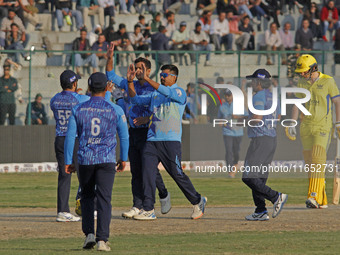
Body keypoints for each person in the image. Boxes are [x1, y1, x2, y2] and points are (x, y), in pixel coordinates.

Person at [127, 63, 207, 220]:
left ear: (174, 77)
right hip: (152, 140)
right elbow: (135, 99)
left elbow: (165, 91)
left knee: (177, 174)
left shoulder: (179, 91)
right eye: (161, 76)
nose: (162, 78)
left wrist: (147, 79)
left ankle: (197, 200)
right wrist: (130, 82)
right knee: (147, 173)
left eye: (165, 76)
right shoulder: (155, 95)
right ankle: (149, 209)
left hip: (171, 141)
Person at [106, 42, 171, 219]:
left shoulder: (154, 87)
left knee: (148, 170)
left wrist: (148, 118)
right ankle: (137, 205)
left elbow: (163, 112)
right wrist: (110, 57)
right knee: (136, 170)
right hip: (133, 130)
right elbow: (110, 75)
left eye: (141, 68)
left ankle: (163, 192)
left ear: (149, 71)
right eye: (136, 68)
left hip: (149, 132)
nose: (138, 71)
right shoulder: (129, 83)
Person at [64, 72, 128, 251]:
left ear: (90, 88)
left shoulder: (78, 109)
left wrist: (69, 160)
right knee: (104, 199)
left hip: (85, 159)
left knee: (86, 196)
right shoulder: (115, 109)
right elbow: (124, 136)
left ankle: (89, 235)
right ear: (106, 88)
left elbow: (70, 137)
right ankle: (102, 239)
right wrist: (123, 158)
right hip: (106, 159)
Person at [285, 54, 340, 209]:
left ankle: (313, 196)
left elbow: (337, 102)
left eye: (304, 71)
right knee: (311, 163)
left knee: (317, 158)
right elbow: (297, 104)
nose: (302, 74)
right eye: (300, 71)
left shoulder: (328, 81)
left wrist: (338, 123)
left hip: (323, 126)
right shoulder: (302, 82)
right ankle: (321, 199)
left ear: (314, 68)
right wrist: (292, 123)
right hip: (306, 127)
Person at [242, 69, 288, 221]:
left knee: (248, 176)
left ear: (259, 82)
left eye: (253, 81)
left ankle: (276, 196)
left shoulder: (259, 96)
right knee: (259, 178)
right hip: (271, 139)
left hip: (260, 139)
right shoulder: (273, 96)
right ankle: (261, 210)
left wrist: (243, 121)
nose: (252, 83)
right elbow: (279, 116)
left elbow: (257, 118)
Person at [217, 89, 246, 178]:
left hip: (238, 132)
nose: (227, 97)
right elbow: (219, 118)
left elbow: (247, 117)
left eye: (229, 95)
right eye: (226, 95)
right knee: (228, 151)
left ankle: (235, 164)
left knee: (236, 152)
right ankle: (230, 171)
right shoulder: (222, 107)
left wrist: (237, 117)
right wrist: (220, 122)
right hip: (227, 132)